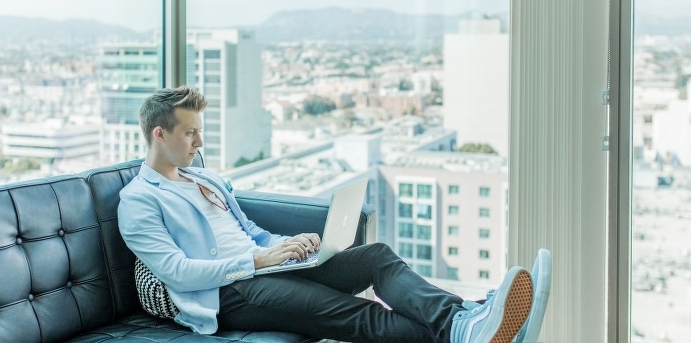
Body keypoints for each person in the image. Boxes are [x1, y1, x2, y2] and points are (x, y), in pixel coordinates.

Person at [118, 86, 550, 342]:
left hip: (268, 268)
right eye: (190, 132)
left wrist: (287, 247)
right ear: (160, 133)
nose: (198, 141)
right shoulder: (139, 200)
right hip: (230, 292)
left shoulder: (204, 179)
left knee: (376, 256)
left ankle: (465, 321)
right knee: (353, 312)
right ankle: (472, 327)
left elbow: (249, 229)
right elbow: (177, 272)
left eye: (199, 131)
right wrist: (256, 260)